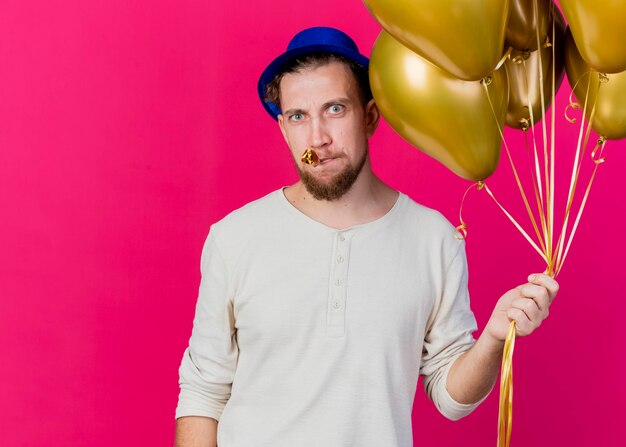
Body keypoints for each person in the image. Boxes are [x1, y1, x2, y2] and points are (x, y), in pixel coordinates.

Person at [174, 26, 559, 447]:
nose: (317, 139)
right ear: (284, 129)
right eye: (298, 117)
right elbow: (203, 391)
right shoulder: (235, 237)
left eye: (335, 109)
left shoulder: (434, 239)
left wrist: (493, 338)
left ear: (370, 116)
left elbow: (451, 399)